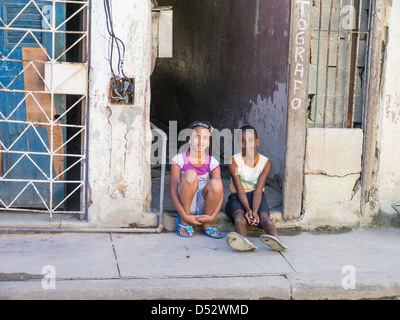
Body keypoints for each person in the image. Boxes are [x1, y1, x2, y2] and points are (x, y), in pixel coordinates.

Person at [225, 125, 287, 251]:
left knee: (264, 217)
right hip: (237, 196)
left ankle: (275, 239)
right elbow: (240, 189)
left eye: (250, 141)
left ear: (257, 142)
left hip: (257, 196)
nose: (247, 145)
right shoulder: (233, 161)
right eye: (242, 142)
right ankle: (243, 240)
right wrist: (248, 210)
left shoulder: (265, 163)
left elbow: (258, 190)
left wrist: (254, 211)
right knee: (239, 217)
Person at [170, 121, 224, 239]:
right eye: (196, 137)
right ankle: (184, 220)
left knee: (216, 183)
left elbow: (220, 192)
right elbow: (173, 191)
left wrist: (212, 216)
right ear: (189, 139)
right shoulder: (179, 159)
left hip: (203, 204)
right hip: (186, 204)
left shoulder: (212, 162)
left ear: (209, 142)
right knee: (190, 174)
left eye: (205, 138)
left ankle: (206, 222)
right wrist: (184, 215)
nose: (200, 141)